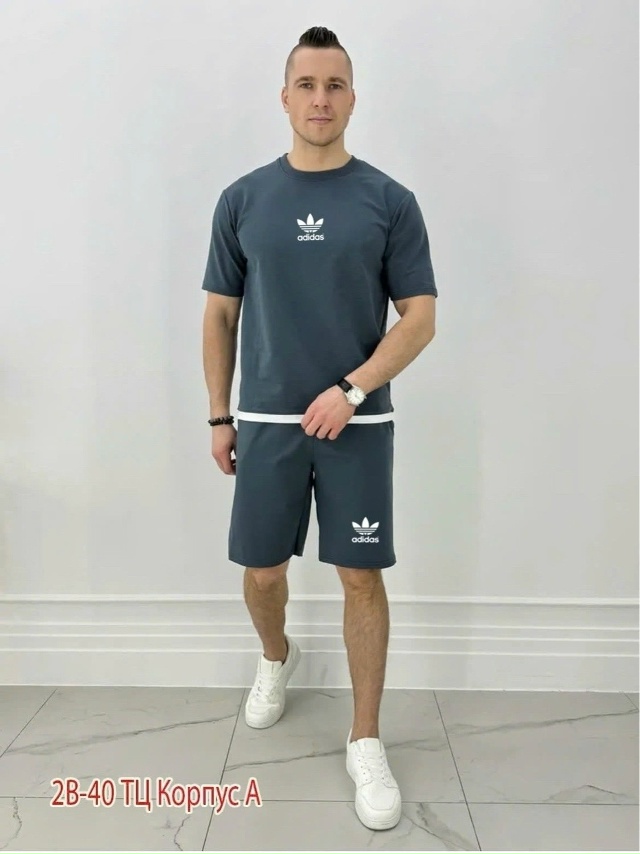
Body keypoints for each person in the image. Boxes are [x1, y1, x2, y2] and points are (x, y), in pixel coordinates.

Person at [201, 25, 437, 831]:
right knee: (263, 573)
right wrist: (219, 413)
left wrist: (352, 389)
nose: (321, 99)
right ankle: (276, 657)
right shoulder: (242, 199)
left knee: (360, 578)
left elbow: (420, 319)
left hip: (357, 424)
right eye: (307, 84)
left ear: (353, 98)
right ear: (285, 96)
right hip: (266, 421)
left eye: (335, 84)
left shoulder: (389, 201)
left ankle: (365, 738)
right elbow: (220, 315)